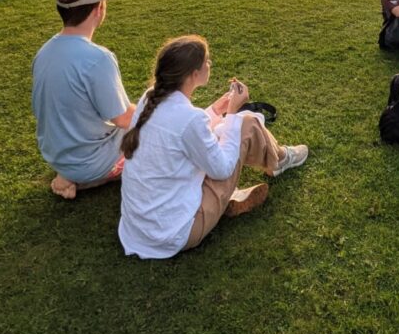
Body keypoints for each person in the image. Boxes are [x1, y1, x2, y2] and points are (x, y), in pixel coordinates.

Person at [118, 35, 308, 259]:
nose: (210, 64)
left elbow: (186, 133)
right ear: (194, 74)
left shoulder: (149, 99)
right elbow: (223, 169)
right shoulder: (189, 119)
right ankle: (279, 159)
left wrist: (217, 111)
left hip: (138, 229)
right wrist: (234, 114)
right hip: (175, 234)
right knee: (245, 125)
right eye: (206, 61)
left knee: (228, 129)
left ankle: (275, 159)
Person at [31, 0, 136, 200]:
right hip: (90, 162)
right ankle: (82, 178)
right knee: (155, 132)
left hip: (58, 154)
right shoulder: (98, 58)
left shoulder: (44, 51)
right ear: (99, 9)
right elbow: (123, 119)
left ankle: (70, 174)